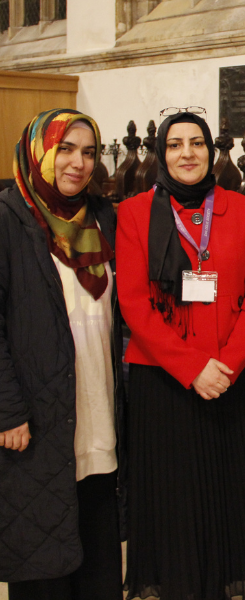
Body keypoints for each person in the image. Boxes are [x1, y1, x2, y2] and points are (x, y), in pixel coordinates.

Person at [116, 110, 245, 600]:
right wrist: (192, 369)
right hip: (164, 377)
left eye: (196, 143)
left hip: (233, 373)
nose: (186, 153)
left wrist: (226, 365)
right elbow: (133, 304)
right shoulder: (134, 213)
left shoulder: (241, 208)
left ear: (211, 151)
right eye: (174, 144)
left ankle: (228, 575)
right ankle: (182, 583)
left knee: (230, 488)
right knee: (175, 492)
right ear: (160, 153)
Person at [0, 109, 124, 599]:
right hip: (37, 415)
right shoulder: (8, 219)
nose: (78, 163)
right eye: (66, 149)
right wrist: (7, 410)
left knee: (97, 547)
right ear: (39, 152)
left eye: (89, 152)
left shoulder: (101, 218)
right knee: (42, 550)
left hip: (96, 407)